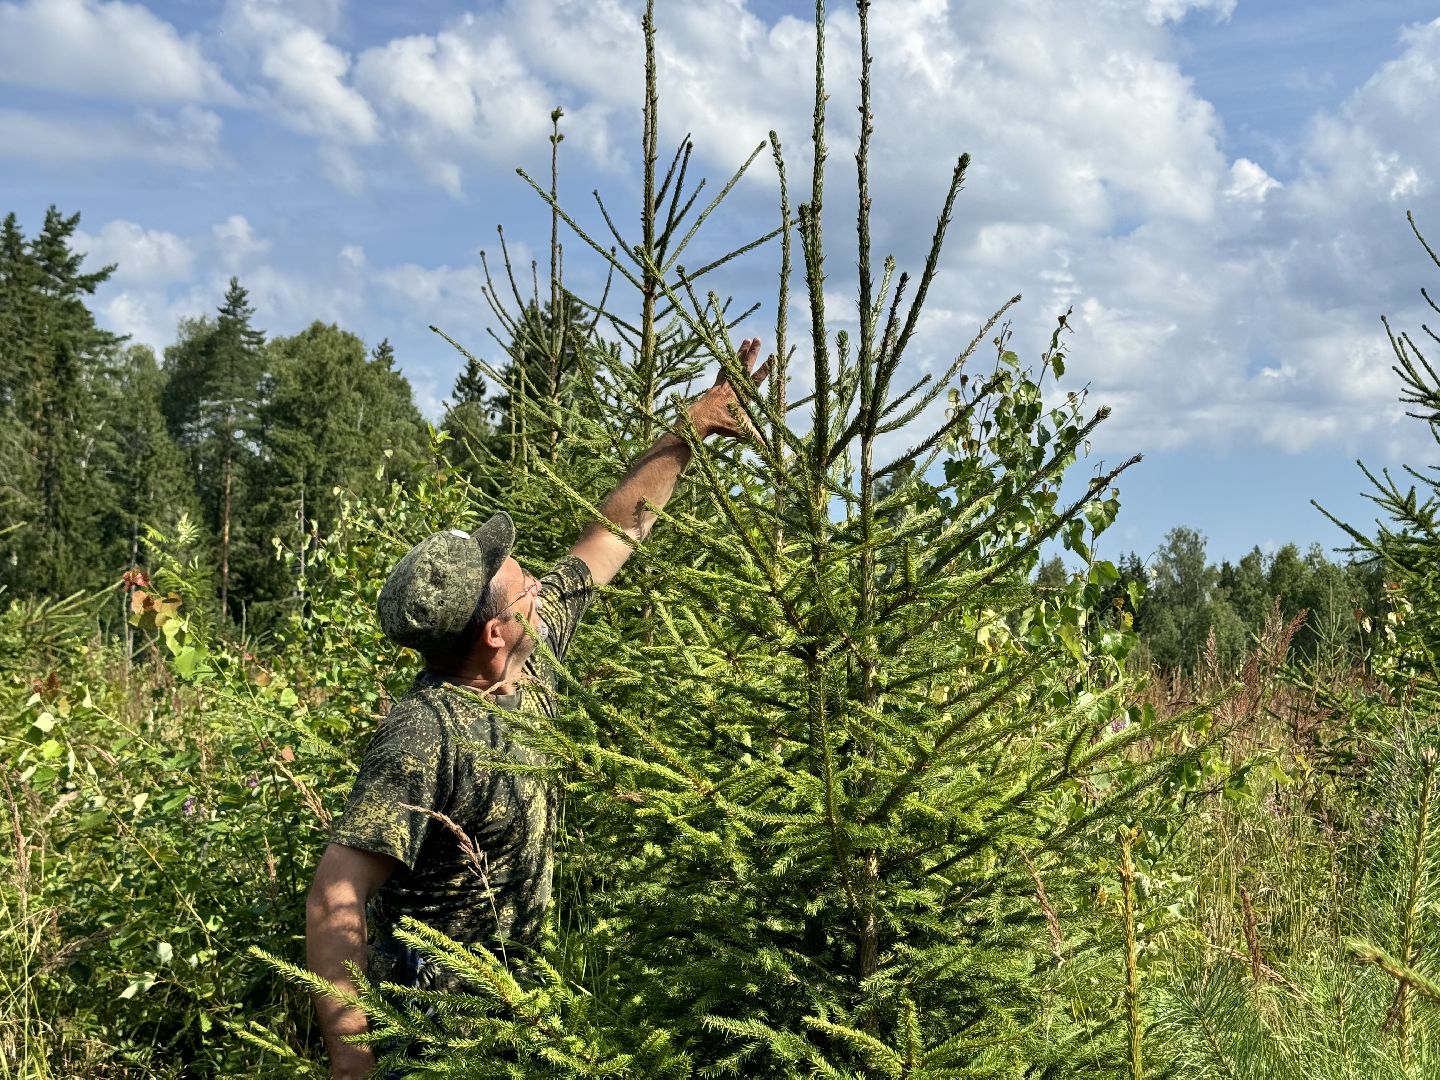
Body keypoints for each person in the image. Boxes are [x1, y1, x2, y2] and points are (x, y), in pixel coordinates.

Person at [305, 338, 769, 1079]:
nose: (539, 588)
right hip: (437, 1045)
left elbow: (612, 533)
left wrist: (689, 431)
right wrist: (353, 1064)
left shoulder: (529, 663)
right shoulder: (424, 734)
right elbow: (337, 890)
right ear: (494, 633)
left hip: (519, 1027)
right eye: (521, 584)